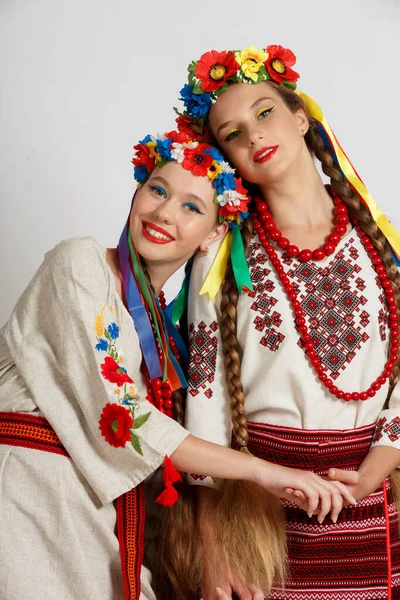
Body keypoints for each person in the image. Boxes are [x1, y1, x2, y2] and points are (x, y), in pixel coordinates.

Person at [0, 129, 354, 600]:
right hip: (30, 496)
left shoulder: (166, 333)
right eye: (158, 190)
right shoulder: (78, 263)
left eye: (192, 207)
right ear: (137, 193)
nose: (165, 212)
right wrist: (263, 470)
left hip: (94, 510)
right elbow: (123, 415)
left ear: (213, 234)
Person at [176, 45, 400, 599]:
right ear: (228, 158)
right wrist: (211, 550)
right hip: (257, 518)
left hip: (370, 505)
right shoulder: (221, 256)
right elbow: (205, 405)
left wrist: (380, 463)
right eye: (231, 133)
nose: (252, 135)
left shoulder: (382, 243)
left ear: (301, 118)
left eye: (264, 112)